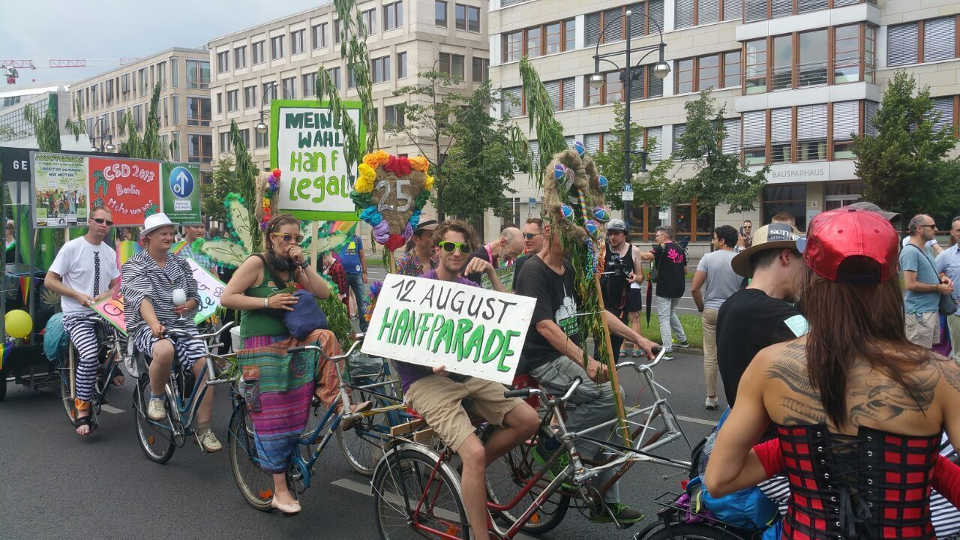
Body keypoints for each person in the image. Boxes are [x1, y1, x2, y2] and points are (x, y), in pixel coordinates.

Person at [705, 208, 960, 539]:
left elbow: (719, 478)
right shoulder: (940, 374)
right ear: (890, 280)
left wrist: (796, 447)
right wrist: (924, 461)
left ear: (813, 277)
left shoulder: (770, 366)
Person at [393, 219, 539, 540]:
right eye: (449, 246)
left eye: (463, 247)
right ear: (437, 249)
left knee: (529, 421)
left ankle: (472, 470)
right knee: (472, 454)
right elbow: (396, 342)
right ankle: (479, 534)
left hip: (468, 374)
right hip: (424, 381)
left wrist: (488, 273)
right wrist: (428, 362)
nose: (456, 253)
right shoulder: (418, 288)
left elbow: (512, 313)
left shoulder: (473, 290)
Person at [221, 214, 368, 515]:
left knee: (325, 337)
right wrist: (266, 303)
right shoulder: (256, 264)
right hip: (260, 346)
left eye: (296, 238)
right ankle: (279, 490)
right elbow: (227, 297)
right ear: (272, 238)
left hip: (290, 340)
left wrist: (302, 265)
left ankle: (342, 406)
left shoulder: (292, 267)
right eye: (286, 238)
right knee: (275, 416)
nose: (292, 243)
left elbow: (325, 293)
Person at [514, 221, 658, 525]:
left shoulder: (570, 268)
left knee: (611, 421)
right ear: (552, 233)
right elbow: (544, 326)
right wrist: (587, 361)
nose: (578, 244)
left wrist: (639, 338)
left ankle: (605, 502)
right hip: (545, 357)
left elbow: (597, 311)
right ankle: (551, 443)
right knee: (611, 396)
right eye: (571, 238)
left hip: (570, 355)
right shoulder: (532, 270)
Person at [121, 213, 221, 452]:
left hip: (182, 325)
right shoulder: (134, 265)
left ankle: (204, 428)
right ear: (148, 238)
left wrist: (189, 305)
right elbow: (141, 298)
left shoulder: (181, 264)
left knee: (206, 368)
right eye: (162, 233)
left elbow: (195, 296)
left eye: (169, 232)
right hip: (147, 326)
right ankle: (156, 398)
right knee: (164, 350)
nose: (168, 237)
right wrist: (154, 324)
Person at [44, 207, 122, 436]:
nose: (103, 225)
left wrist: (106, 296)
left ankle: (112, 366)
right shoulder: (72, 248)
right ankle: (82, 410)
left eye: (108, 222)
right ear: (89, 221)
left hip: (105, 313)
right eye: (99, 220)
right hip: (77, 315)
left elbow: (116, 284)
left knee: (133, 339)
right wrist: (77, 296)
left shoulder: (109, 251)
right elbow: (50, 280)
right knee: (87, 356)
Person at [717, 222, 806, 407]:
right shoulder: (781, 316)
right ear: (786, 257)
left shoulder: (729, 305)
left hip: (741, 422)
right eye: (803, 265)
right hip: (776, 430)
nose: (806, 275)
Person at [690, 225, 741, 410]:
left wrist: (701, 307)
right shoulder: (740, 260)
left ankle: (711, 397)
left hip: (711, 309)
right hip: (733, 311)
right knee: (733, 355)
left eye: (714, 238)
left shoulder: (708, 259)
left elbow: (695, 288)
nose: (713, 241)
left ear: (722, 240)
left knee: (710, 355)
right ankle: (735, 398)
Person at [902, 214, 953, 348]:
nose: (935, 229)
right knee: (918, 357)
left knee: (929, 353)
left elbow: (931, 273)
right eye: (932, 226)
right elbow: (910, 284)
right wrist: (937, 288)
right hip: (919, 314)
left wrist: (942, 278)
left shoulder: (927, 249)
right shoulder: (910, 252)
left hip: (930, 311)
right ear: (919, 229)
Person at [639, 226, 687, 360]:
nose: (656, 237)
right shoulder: (679, 249)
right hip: (679, 288)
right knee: (671, 313)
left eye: (658, 235)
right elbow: (685, 270)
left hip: (665, 288)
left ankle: (667, 350)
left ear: (666, 236)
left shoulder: (661, 248)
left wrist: (632, 249)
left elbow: (647, 256)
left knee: (664, 318)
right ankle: (683, 340)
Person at [600, 219, 643, 362]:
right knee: (601, 343)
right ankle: (603, 377)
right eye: (610, 234)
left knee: (616, 342)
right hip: (603, 303)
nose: (612, 237)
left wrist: (634, 278)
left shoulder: (634, 251)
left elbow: (641, 276)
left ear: (624, 234)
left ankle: (612, 374)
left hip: (622, 304)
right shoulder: (603, 248)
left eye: (616, 234)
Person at [936, 216, 960, 362]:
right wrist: (942, 280)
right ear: (952, 232)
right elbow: (930, 276)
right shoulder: (946, 256)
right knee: (958, 355)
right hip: (957, 314)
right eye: (959, 230)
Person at [338, 233, 368, 330]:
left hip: (357, 274)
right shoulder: (338, 236)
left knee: (362, 301)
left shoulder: (356, 238)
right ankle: (346, 329)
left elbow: (362, 256)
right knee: (343, 302)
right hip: (342, 274)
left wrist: (364, 272)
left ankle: (364, 328)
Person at [511, 218, 545, 290]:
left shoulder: (554, 263)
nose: (526, 240)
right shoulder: (520, 262)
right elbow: (516, 292)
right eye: (524, 235)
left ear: (544, 236)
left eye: (530, 236)